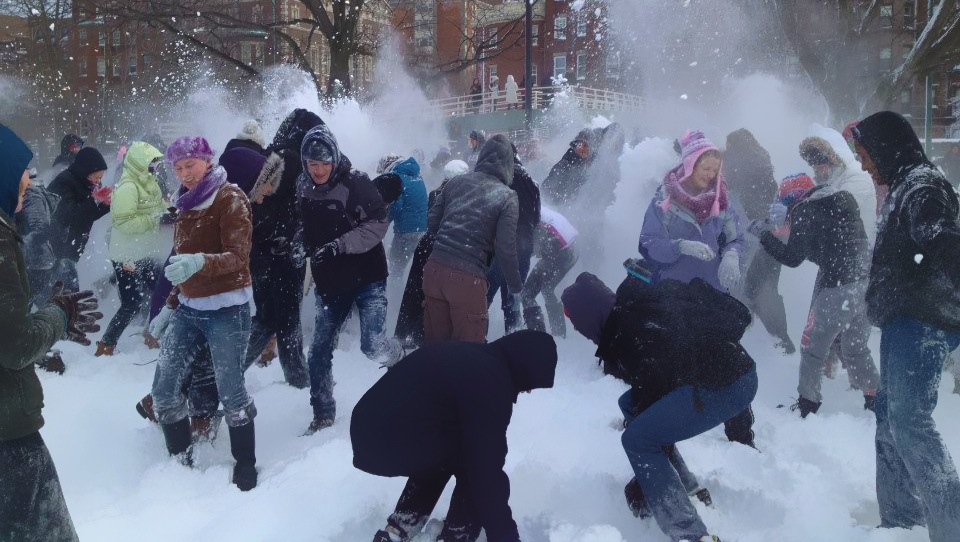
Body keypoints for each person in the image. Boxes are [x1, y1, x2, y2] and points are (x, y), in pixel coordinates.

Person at [563, 262, 755, 542]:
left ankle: (688, 533)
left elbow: (654, 385)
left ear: (588, 317)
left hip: (727, 385)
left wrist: (643, 484)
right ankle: (686, 488)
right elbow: (652, 389)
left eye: (576, 321)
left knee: (637, 439)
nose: (579, 329)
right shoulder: (629, 315)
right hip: (732, 374)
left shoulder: (629, 331)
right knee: (630, 406)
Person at [851, 111, 960, 542]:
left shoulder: (921, 187)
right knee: (890, 415)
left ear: (884, 148)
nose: (861, 163)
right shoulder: (905, 183)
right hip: (907, 321)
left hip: (922, 321)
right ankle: (900, 519)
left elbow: (945, 242)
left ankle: (951, 528)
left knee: (909, 421)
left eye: (864, 154)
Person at [353, 330, 558, 542]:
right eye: (532, 383)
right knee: (476, 461)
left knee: (454, 447)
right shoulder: (491, 382)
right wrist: (505, 534)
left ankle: (397, 530)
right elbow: (486, 470)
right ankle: (456, 534)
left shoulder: (473, 356)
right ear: (524, 368)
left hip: (367, 428)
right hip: (394, 437)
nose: (529, 391)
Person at [1, 124, 104, 542]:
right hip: (8, 436)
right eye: (22, 171)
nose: (28, 180)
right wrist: (57, 317)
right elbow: (14, 345)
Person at [148, 136, 258, 491]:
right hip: (189, 309)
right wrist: (169, 306)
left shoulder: (230, 199)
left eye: (190, 165)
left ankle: (246, 463)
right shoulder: (185, 203)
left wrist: (199, 263)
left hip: (228, 309)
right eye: (178, 168)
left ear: (207, 161)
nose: (184, 174)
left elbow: (238, 258)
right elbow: (182, 266)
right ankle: (180, 462)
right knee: (164, 388)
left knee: (232, 391)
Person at [639, 130, 754, 447]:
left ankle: (741, 433)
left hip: (712, 294)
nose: (711, 175)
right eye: (706, 169)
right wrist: (680, 247)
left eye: (715, 170)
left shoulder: (723, 199)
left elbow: (736, 238)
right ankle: (650, 423)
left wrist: (731, 255)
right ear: (689, 165)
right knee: (667, 359)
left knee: (727, 359)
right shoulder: (663, 200)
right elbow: (648, 245)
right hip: (674, 294)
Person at [748, 149, 879, 416]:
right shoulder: (842, 198)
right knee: (854, 346)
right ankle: (874, 399)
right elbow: (826, 239)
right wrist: (788, 226)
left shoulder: (806, 211)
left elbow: (793, 257)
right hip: (865, 285)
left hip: (837, 289)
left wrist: (763, 234)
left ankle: (808, 405)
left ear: (792, 201)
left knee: (812, 347)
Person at [297, 123, 393, 434]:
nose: (319, 170)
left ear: (335, 160)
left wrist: (339, 246)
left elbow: (379, 224)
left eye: (325, 163)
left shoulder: (357, 184)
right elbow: (301, 223)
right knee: (319, 349)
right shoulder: (302, 185)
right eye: (313, 164)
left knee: (373, 344)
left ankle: (403, 366)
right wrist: (297, 243)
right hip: (331, 284)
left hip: (368, 278)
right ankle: (323, 412)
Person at [240, 108, 323, 388]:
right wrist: (286, 238)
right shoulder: (291, 162)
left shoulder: (274, 157)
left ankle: (225, 372)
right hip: (281, 255)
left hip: (266, 253)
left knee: (268, 317)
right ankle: (297, 380)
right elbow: (267, 206)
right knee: (283, 319)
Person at [423, 135, 523, 343]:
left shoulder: (456, 182)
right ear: (508, 165)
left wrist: (447, 243)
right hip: (468, 278)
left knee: (435, 348)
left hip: (434, 271)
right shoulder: (507, 196)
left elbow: (432, 222)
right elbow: (505, 249)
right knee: (469, 353)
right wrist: (515, 286)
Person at [97, 141, 169, 356]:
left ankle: (155, 336)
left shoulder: (150, 182)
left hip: (146, 252)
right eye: (151, 163)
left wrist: (171, 210)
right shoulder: (127, 186)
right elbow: (124, 222)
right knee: (132, 303)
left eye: (156, 163)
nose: (155, 167)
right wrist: (156, 219)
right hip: (126, 256)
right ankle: (106, 345)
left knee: (161, 293)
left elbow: (159, 207)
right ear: (139, 163)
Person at [394, 160, 469, 350]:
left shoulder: (436, 193)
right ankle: (422, 334)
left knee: (416, 290)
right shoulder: (465, 197)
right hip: (445, 249)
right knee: (436, 295)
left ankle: (407, 332)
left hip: (428, 246)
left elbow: (431, 221)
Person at [742, 173, 815, 355]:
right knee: (755, 287)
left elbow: (800, 216)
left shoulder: (804, 189)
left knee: (765, 291)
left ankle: (780, 339)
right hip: (775, 237)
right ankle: (758, 329)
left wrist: (771, 230)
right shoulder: (791, 183)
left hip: (780, 241)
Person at [486, 145, 541, 334]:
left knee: (484, 295)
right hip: (524, 245)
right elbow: (536, 218)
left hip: (501, 244)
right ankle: (513, 337)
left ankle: (475, 337)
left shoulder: (499, 179)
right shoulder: (531, 182)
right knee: (513, 296)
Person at [48, 146, 111, 291]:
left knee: (68, 296)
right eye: (96, 177)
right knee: (68, 295)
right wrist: (94, 200)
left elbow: (88, 214)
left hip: (72, 249)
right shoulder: (63, 183)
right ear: (85, 170)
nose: (98, 181)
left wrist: (105, 204)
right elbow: (68, 216)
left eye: (100, 177)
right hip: (59, 250)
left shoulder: (86, 182)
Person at [520, 206, 578, 337]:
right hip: (571, 249)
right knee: (547, 289)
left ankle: (539, 336)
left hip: (561, 251)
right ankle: (558, 334)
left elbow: (524, 250)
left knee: (528, 294)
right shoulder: (532, 205)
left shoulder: (523, 217)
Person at [15, 169, 61, 308]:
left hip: (35, 264)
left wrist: (16, 248)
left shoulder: (29, 195)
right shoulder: (27, 192)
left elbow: (41, 229)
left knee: (26, 309)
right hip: (34, 263)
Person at [383, 156, 428, 276]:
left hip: (405, 230)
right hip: (422, 228)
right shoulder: (417, 176)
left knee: (395, 267)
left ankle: (395, 292)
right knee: (414, 266)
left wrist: (384, 221)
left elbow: (396, 205)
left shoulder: (397, 178)